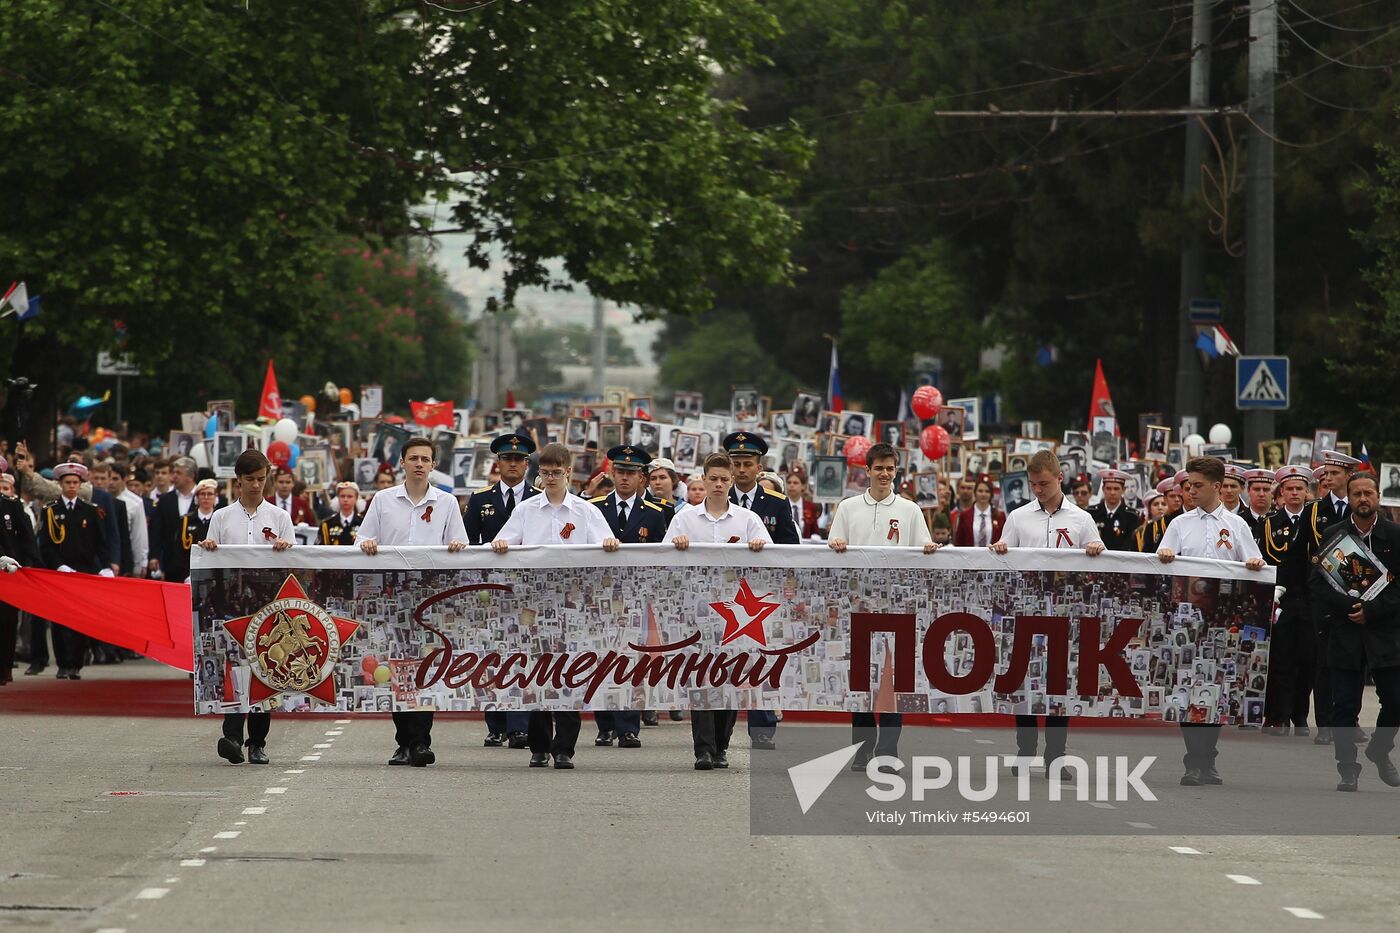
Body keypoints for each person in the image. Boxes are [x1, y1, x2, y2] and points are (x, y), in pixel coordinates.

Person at [492, 443, 619, 769]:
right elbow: (505, 540)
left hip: (572, 606)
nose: (549, 478)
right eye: (544, 473)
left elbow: (605, 545)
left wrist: (607, 543)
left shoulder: (586, 511)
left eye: (555, 473)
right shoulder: (527, 510)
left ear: (567, 472)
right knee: (535, 675)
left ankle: (564, 747)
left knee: (567, 676)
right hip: (534, 606)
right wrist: (502, 543)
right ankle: (539, 746)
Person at [990, 450, 1105, 777]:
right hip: (1026, 612)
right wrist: (1000, 549)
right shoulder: (1019, 517)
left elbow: (1101, 567)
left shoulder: (1081, 519)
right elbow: (1003, 561)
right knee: (1025, 684)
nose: (1038, 490)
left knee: (1059, 685)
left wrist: (1096, 549)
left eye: (1043, 483)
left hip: (1065, 617)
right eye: (1033, 484)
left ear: (1059, 479)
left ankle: (1056, 756)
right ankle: (1025, 752)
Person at [357, 437, 468, 767]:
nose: (419, 464)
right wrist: (367, 545)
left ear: (433, 465)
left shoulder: (446, 503)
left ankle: (421, 742)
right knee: (396, 669)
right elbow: (363, 537)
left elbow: (459, 540)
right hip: (391, 599)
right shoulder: (383, 500)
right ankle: (403, 741)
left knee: (423, 668)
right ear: (402, 463)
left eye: (425, 459)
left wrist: (458, 546)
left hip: (430, 600)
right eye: (413, 458)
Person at [827, 443, 939, 772]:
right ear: (868, 470)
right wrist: (835, 544)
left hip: (897, 610)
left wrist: (929, 548)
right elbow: (833, 548)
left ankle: (888, 752)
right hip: (858, 607)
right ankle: (862, 751)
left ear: (896, 471)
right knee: (862, 682)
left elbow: (922, 549)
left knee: (893, 682)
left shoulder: (909, 510)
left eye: (891, 468)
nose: (885, 474)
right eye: (879, 468)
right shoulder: (848, 508)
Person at [1157, 456, 1266, 786]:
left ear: (1217, 486)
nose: (1191, 490)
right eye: (1188, 484)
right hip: (1187, 618)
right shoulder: (1178, 524)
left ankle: (1209, 759)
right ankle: (1193, 761)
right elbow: (1164, 561)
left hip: (1223, 619)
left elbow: (1252, 562)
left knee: (1215, 687)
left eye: (1198, 485)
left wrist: (1254, 563)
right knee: (1188, 687)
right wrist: (1164, 556)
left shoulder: (1237, 526)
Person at [664, 452, 770, 769]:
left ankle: (721, 745)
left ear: (732, 481)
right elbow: (663, 559)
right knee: (701, 679)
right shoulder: (684, 518)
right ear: (704, 479)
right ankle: (704, 750)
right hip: (698, 610)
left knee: (728, 679)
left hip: (736, 615)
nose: (719, 484)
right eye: (714, 479)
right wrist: (676, 544)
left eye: (725, 479)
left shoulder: (747, 520)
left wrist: (758, 548)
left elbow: (770, 559)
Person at [197, 449, 293, 765]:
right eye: (249, 479)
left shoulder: (279, 517)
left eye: (261, 479)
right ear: (238, 480)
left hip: (268, 605)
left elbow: (293, 564)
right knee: (235, 670)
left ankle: (258, 742)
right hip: (232, 606)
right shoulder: (221, 517)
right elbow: (211, 560)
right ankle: (233, 736)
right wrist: (210, 547)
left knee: (265, 670)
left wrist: (284, 548)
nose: (255, 485)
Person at [1313, 471, 1400, 791]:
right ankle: (1348, 768)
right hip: (1345, 631)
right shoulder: (1333, 535)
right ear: (1348, 498)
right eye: (1357, 494)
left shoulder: (1394, 536)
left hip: (1385, 633)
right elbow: (1318, 584)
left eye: (1369, 493)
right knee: (1345, 706)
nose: (1363, 499)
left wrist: (1373, 610)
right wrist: (1348, 609)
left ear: (1378, 497)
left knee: (1395, 700)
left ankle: (1380, 749)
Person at [588, 445, 670, 748]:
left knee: (632, 661)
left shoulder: (658, 512)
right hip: (602, 596)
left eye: (631, 473)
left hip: (638, 595)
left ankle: (628, 725)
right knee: (601, 658)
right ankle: (605, 724)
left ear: (642, 479)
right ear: (612, 473)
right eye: (620, 472)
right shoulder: (595, 507)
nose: (624, 478)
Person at [461, 431, 538, 748]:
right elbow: (466, 543)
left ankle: (519, 725)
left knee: (522, 657)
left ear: (526, 464)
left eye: (519, 459)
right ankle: (495, 724)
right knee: (490, 656)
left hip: (527, 591)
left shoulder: (538, 499)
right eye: (507, 459)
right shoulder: (480, 500)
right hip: (489, 591)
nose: (513, 464)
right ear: (498, 462)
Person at [722, 431, 798, 749]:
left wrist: (788, 583)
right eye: (736, 463)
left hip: (762, 593)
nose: (741, 470)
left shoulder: (777, 503)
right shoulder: (716, 499)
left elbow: (791, 547)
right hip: (725, 592)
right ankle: (720, 731)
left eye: (747, 463)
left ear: (759, 467)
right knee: (724, 660)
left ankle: (763, 726)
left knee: (762, 658)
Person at [37, 463, 113, 680]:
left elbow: (101, 543)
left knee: (80, 619)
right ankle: (62, 663)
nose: (71, 486)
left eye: (75, 483)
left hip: (83, 572)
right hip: (60, 572)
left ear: (80, 485)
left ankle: (76, 664)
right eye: (67, 482)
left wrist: (106, 566)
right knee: (59, 619)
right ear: (60, 484)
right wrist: (58, 565)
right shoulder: (51, 510)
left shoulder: (91, 510)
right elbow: (46, 545)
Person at [1260, 464, 1315, 736]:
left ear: (1307, 492)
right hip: (1281, 598)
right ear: (1281, 492)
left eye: (1299, 489)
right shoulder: (1270, 523)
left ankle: (1300, 715)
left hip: (1309, 599)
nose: (1294, 493)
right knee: (1282, 660)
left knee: (1307, 659)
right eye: (1290, 489)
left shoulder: (1315, 521)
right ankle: (1279, 715)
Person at [0, 456, 41, 685]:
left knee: (6, 622)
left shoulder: (11, 505)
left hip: (8, 574)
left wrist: (26, 566)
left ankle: (4, 667)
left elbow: (27, 539)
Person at [1087, 468, 1141, 551]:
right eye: (1108, 488)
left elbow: (1131, 545)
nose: (1112, 492)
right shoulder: (1091, 513)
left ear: (1123, 490)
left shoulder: (1132, 516)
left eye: (1116, 489)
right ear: (1103, 489)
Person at [952, 476, 1004, 548]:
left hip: (993, 557)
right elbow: (959, 543)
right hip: (970, 557)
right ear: (975, 492)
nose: (983, 494)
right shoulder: (964, 515)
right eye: (980, 491)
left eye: (987, 491)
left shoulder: (1000, 516)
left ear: (991, 494)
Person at [785, 469, 820, 540]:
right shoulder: (781, 505)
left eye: (795, 483)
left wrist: (815, 538)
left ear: (803, 486)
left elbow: (815, 531)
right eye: (789, 482)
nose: (791, 485)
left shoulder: (811, 507)